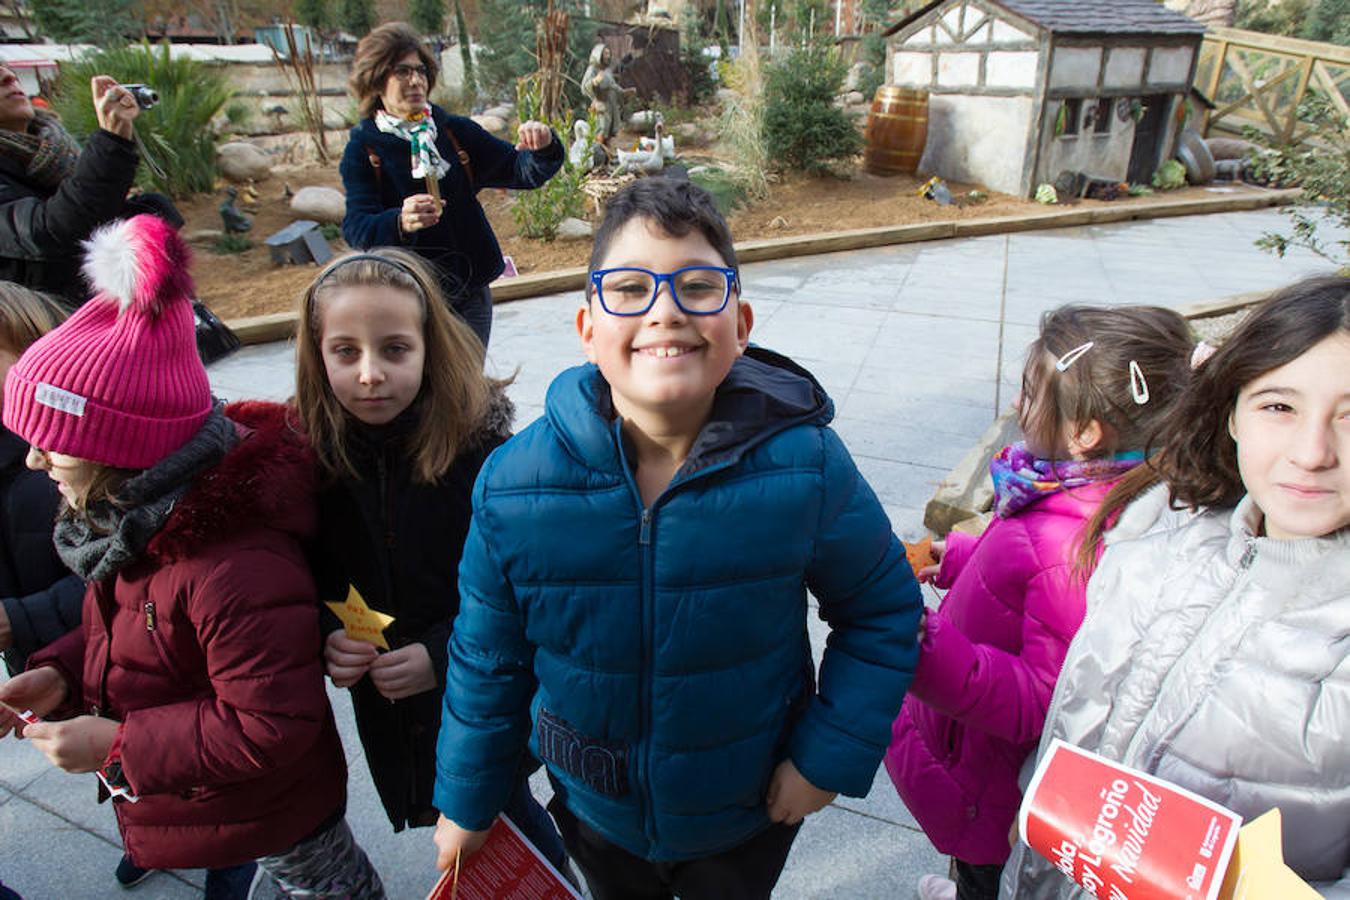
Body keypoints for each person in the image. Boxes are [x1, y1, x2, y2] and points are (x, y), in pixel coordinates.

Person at [430, 178, 924, 899]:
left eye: (698, 286)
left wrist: (824, 759)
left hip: (749, 811)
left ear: (741, 322)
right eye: (629, 289)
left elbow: (881, 611)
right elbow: (486, 656)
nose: (665, 311)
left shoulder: (805, 466)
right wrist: (467, 800)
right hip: (594, 810)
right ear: (587, 328)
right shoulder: (515, 484)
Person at [0, 215, 385, 899]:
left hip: (269, 808)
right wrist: (61, 671)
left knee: (332, 888)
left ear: (124, 447)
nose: (33, 460)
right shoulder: (132, 519)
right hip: (206, 796)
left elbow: (271, 723)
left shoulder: (231, 562)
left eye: (51, 441)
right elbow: (129, 629)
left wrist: (116, 748)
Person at [999, 275, 1350, 898]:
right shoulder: (1154, 528)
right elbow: (1076, 710)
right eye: (1279, 406)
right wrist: (1033, 814)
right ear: (1233, 412)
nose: (1313, 451)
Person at [883, 305, 1194, 900]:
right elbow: (1018, 566)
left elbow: (1039, 701)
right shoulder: (1068, 488)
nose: (1019, 405)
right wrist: (956, 555)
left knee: (987, 874)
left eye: (1029, 394)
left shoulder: (1071, 544)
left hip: (987, 778)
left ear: (1083, 432)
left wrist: (923, 644)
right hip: (974, 751)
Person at [293, 248, 568, 871]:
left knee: (502, 814)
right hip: (391, 708)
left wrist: (441, 656)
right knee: (464, 824)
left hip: (481, 693)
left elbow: (531, 592)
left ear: (429, 348)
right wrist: (326, 637)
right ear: (317, 354)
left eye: (394, 349)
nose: (369, 374)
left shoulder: (484, 460)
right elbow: (297, 578)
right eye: (345, 352)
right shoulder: (312, 462)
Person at [341, 22, 564, 350]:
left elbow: (520, 171)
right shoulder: (365, 149)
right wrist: (400, 221)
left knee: (468, 390)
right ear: (376, 80)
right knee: (424, 393)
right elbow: (357, 228)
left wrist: (542, 146)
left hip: (469, 292)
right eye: (402, 72)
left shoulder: (452, 132)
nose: (416, 80)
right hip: (408, 301)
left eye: (420, 70)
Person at [0, 67, 148, 307]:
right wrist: (112, 141)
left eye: (6, 67)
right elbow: (52, 231)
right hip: (46, 333)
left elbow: (96, 213)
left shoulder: (56, 149)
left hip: (106, 317)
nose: (9, 76)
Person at [0, 283, 81, 675]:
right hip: (41, 678)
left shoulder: (72, 459)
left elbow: (130, 580)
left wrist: (22, 619)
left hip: (116, 673)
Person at [581, 43, 634, 149]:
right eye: (605, 53)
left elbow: (613, 86)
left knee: (610, 129)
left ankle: (607, 154)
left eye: (609, 53)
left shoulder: (607, 70)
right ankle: (597, 151)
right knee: (602, 128)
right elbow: (584, 87)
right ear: (598, 54)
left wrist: (624, 92)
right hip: (601, 102)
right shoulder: (592, 69)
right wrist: (594, 82)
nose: (608, 56)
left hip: (611, 104)